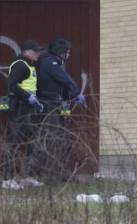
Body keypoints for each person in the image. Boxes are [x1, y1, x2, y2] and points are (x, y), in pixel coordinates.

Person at [36, 38, 85, 181]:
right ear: (60, 52)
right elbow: (65, 80)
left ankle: (60, 172)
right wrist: (77, 93)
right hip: (49, 105)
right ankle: (53, 173)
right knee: (56, 138)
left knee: (63, 136)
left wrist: (70, 99)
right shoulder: (50, 63)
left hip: (58, 104)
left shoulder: (53, 63)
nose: (68, 55)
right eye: (67, 52)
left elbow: (61, 86)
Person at [2, 40, 44, 189]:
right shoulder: (20, 65)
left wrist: (36, 101)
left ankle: (27, 176)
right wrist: (27, 97)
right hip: (18, 109)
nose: (38, 54)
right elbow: (12, 85)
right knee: (14, 143)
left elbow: (29, 87)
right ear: (26, 52)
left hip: (28, 109)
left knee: (30, 142)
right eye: (36, 51)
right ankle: (7, 179)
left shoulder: (30, 66)